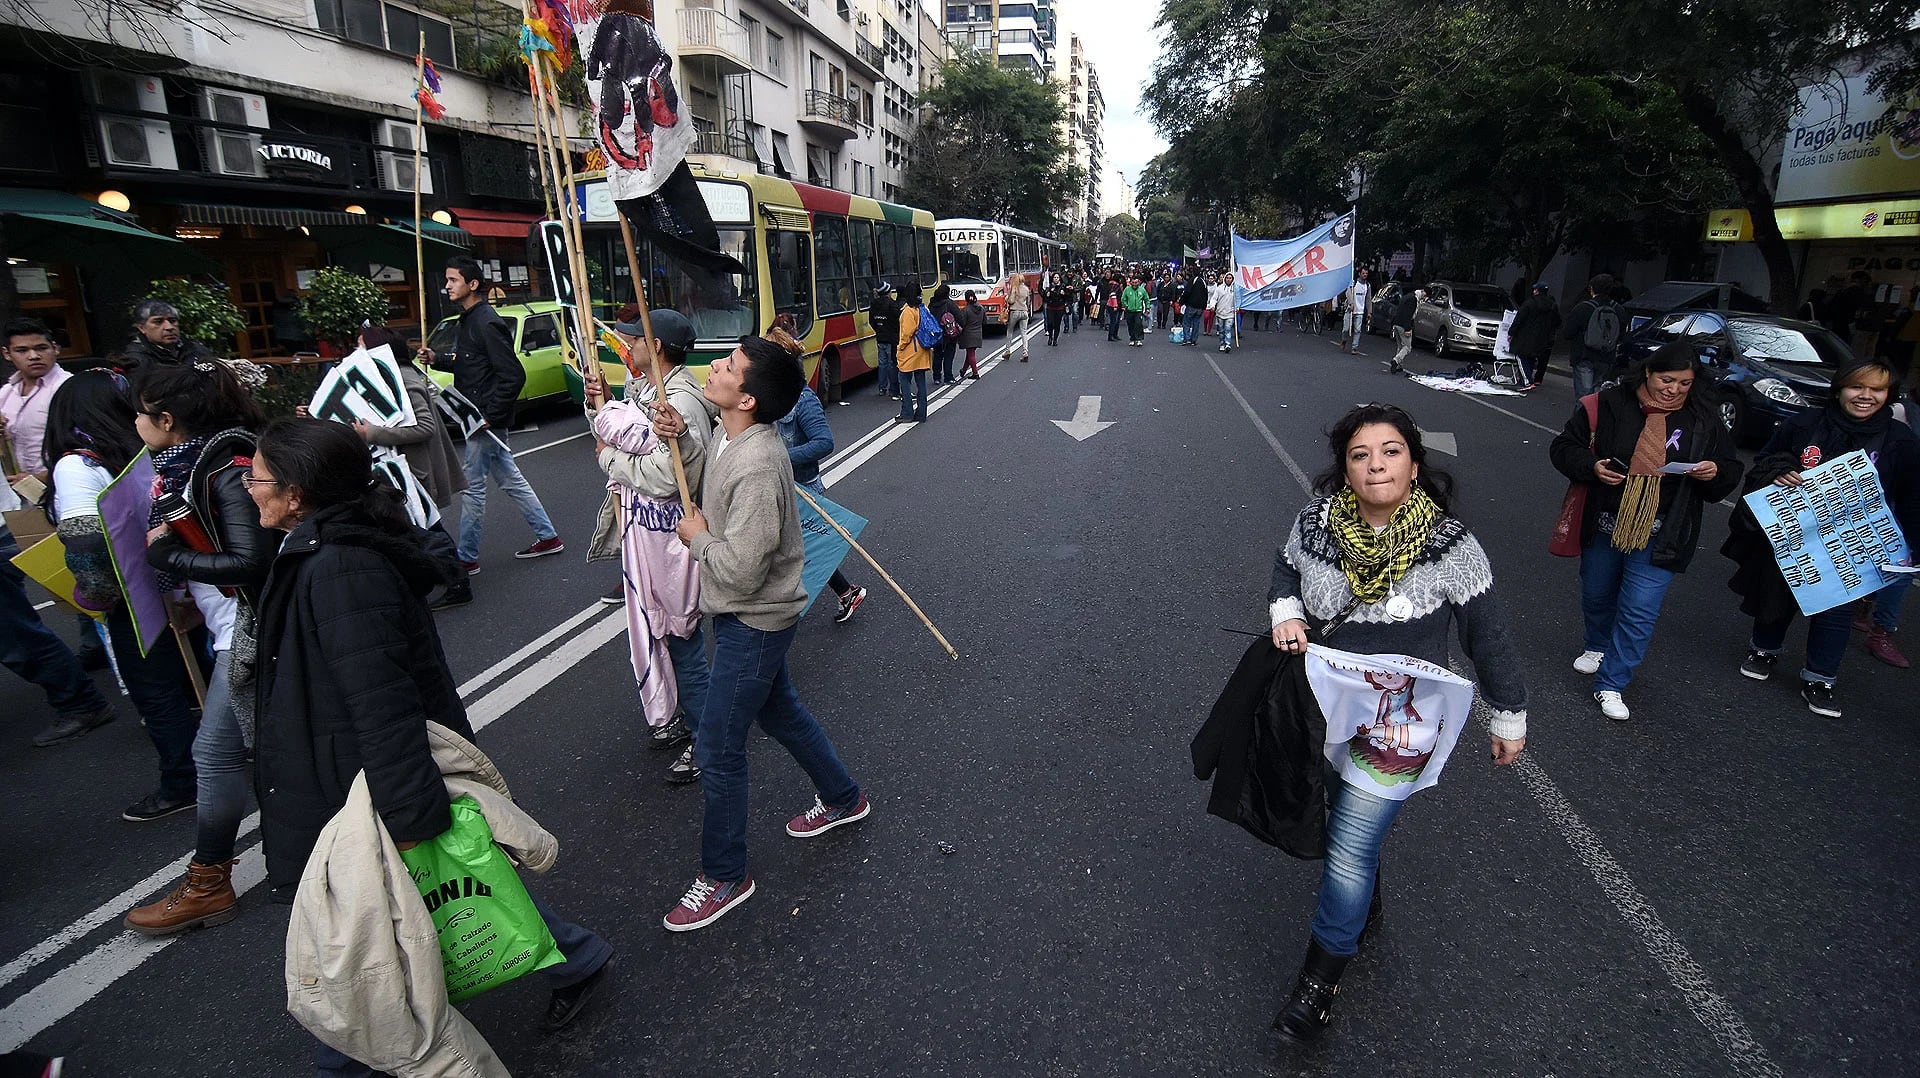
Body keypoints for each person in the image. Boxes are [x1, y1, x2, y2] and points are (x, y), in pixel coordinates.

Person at [244, 419, 614, 1072]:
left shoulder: (341, 568)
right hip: (356, 771)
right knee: (453, 884)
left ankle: (354, 1053)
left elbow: (382, 704)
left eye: (258, 478)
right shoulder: (327, 547)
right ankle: (575, 957)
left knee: (364, 946)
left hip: (364, 782)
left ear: (298, 493)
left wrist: (413, 817)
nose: (249, 489)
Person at [1264, 403, 1528, 1043]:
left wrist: (1509, 713)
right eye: (1360, 455)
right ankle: (1364, 903)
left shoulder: (1452, 546)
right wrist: (1285, 612)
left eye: (1389, 452)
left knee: (1348, 851)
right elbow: (1285, 571)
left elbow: (1487, 635)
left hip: (1400, 722)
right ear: (1345, 469)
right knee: (1339, 822)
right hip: (1323, 707)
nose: (1375, 464)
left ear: (1413, 465)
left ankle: (1317, 984)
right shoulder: (1315, 524)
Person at [648, 336, 870, 932]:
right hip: (748, 615)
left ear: (746, 398)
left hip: (755, 619)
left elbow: (743, 568)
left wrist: (695, 539)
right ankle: (845, 798)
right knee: (781, 715)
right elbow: (705, 473)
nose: (713, 368)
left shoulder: (759, 464)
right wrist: (683, 435)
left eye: (726, 367)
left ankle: (724, 876)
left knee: (720, 746)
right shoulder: (730, 433)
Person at [123, 359, 276, 935]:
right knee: (262, 751)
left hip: (253, 629)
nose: (134, 422)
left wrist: (168, 557)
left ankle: (209, 881)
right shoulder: (189, 465)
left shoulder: (221, 467)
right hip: (233, 624)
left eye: (140, 412)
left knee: (215, 754)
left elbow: (249, 560)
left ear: (165, 419)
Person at [1549, 343, 1742, 721]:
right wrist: (1592, 466)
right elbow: (1563, 447)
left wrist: (1714, 471)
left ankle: (1612, 683)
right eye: (1666, 380)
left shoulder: (1703, 417)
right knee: (1597, 592)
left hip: (1664, 529)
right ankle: (1598, 643)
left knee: (1639, 609)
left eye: (1684, 383)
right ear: (1648, 373)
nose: (1674, 390)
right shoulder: (1608, 404)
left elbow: (1729, 467)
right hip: (1607, 521)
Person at [44, 370, 203, 820]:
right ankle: (219, 760)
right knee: (186, 681)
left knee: (156, 694)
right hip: (166, 584)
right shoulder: (135, 455)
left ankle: (182, 782)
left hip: (129, 599)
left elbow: (87, 541)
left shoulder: (77, 466)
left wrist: (94, 593)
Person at [1723, 358, 1920, 717]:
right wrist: (1780, 471)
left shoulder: (1900, 439)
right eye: (1856, 387)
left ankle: (1820, 677)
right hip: (1793, 535)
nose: (1865, 396)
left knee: (1837, 612)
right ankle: (1764, 648)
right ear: (1839, 389)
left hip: (1854, 545)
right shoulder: (1805, 423)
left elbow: (1911, 497)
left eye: (1876, 389)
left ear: (1889, 395)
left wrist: (1912, 545)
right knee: (1777, 594)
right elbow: (1766, 459)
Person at [587, 308, 716, 786]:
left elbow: (672, 477)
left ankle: (709, 743)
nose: (625, 347)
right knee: (660, 634)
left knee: (683, 642)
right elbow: (616, 428)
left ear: (656, 345)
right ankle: (685, 719)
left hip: (673, 543)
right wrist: (597, 405)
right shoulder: (644, 389)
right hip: (646, 535)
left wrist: (612, 463)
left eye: (631, 340)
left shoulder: (679, 398)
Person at [420, 256, 562, 575]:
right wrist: (437, 357)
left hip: (483, 421)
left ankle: (466, 557)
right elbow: (470, 363)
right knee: (511, 480)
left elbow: (513, 374)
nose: (446, 286)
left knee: (473, 488)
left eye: (452, 280)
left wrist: (490, 415)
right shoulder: (467, 320)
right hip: (476, 416)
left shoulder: (487, 321)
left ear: (472, 285)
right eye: (446, 280)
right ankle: (548, 537)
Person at [345, 326, 470, 610]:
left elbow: (423, 427)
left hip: (412, 470)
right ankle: (445, 578)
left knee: (426, 525)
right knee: (415, 525)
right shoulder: (385, 378)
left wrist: (372, 434)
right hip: (399, 469)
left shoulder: (403, 378)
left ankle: (457, 580)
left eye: (362, 346)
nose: (357, 351)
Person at [776, 378, 868, 623]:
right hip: (779, 485)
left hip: (802, 487)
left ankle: (845, 593)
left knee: (804, 549)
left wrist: (778, 457)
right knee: (795, 548)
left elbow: (824, 442)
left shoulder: (803, 399)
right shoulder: (766, 393)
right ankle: (846, 592)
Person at [2, 317, 73, 483]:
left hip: (63, 485)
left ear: (54, 348)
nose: (33, 356)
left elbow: (87, 445)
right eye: (22, 350)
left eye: (41, 348)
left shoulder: (69, 388)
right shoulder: (6, 393)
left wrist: (41, 477)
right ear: (7, 354)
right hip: (19, 491)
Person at [1563, 273, 1625, 399]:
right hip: (1606, 357)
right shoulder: (1619, 309)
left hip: (1584, 355)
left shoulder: (1583, 308)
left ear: (1592, 288)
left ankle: (1582, 418)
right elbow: (1621, 335)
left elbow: (1568, 332)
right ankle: (1591, 417)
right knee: (1594, 394)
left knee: (1584, 396)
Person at [119, 299, 214, 374]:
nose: (169, 327)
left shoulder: (197, 350)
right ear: (142, 328)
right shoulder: (134, 360)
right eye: (158, 322)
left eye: (172, 321)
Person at [1509, 282, 1561, 390]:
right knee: (1531, 357)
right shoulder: (1552, 305)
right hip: (1542, 337)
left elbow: (1519, 318)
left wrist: (1511, 332)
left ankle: (1527, 381)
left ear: (1536, 291)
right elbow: (1557, 321)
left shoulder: (1530, 303)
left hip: (1525, 336)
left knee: (1520, 356)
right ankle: (1527, 378)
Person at [895, 287, 933, 422]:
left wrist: (900, 347)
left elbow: (907, 334)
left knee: (904, 381)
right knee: (921, 382)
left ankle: (907, 413)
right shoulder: (922, 309)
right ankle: (921, 413)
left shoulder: (907, 311)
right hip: (923, 350)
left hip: (910, 351)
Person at [868, 281, 900, 401]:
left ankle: (882, 387)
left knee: (882, 364)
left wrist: (879, 329)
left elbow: (872, 321)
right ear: (888, 292)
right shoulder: (892, 305)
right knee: (892, 363)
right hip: (891, 338)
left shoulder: (874, 304)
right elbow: (897, 322)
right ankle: (893, 388)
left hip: (880, 337)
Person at [929, 283, 962, 384]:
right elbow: (959, 317)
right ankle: (948, 377)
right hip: (949, 334)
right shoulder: (950, 304)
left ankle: (936, 377)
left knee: (937, 354)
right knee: (948, 356)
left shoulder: (932, 304)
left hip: (936, 334)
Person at [1387, 288, 1420, 374]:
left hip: (1396, 323)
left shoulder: (1406, 297)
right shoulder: (1413, 300)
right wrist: (1408, 328)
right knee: (1407, 347)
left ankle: (1398, 366)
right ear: (1423, 293)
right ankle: (1396, 360)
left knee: (1400, 345)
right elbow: (1408, 315)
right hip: (1403, 325)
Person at [957, 291, 987, 379]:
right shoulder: (981, 308)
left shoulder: (966, 310)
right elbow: (984, 321)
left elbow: (962, 323)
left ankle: (975, 373)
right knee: (970, 354)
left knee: (971, 354)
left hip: (968, 335)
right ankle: (963, 370)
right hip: (978, 334)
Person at [1343, 268, 1371, 355]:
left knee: (1358, 330)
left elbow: (1368, 299)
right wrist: (1351, 303)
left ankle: (1354, 347)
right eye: (1363, 273)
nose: (1365, 275)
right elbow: (1348, 292)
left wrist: (1369, 311)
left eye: (1366, 273)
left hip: (1360, 311)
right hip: (1350, 309)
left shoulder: (1367, 285)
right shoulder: (1354, 283)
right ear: (1359, 274)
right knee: (1346, 329)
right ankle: (1344, 340)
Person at [1005, 273, 1033, 361]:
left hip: (1015, 312)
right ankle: (1025, 352)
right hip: (1024, 312)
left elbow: (1011, 301)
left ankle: (1008, 351)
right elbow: (1028, 302)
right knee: (1024, 332)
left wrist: (1007, 298)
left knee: (1010, 331)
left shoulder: (1015, 288)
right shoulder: (1026, 289)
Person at [1212, 272, 1238, 353]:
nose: (1228, 279)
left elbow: (1238, 299)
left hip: (1230, 313)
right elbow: (1214, 298)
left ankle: (1228, 344)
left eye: (1230, 278)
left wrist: (1237, 307)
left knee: (1228, 329)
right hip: (1220, 312)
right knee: (1221, 330)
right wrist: (1212, 305)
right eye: (1227, 278)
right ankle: (1222, 344)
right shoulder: (1219, 288)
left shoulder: (1235, 289)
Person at [1120, 275, 1148, 347]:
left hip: (1138, 310)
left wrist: (1147, 308)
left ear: (1138, 282)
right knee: (1131, 325)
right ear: (1131, 282)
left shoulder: (1142, 290)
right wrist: (1125, 305)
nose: (1135, 284)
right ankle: (1132, 339)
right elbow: (1123, 298)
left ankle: (1139, 339)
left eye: (1136, 282)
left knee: (1138, 324)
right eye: (1133, 282)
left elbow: (1146, 299)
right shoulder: (1127, 289)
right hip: (1129, 310)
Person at [1180, 274, 1208, 346]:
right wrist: (1204, 306)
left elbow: (1187, 292)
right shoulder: (1203, 282)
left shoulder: (1192, 281)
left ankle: (1187, 338)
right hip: (1200, 307)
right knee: (1196, 323)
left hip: (1191, 305)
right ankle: (1194, 340)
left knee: (1186, 322)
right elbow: (1206, 295)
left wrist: (1181, 301)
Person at [1044, 278, 1069, 346]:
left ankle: (1055, 340)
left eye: (1057, 278)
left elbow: (1067, 296)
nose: (1056, 279)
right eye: (1055, 277)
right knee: (1050, 323)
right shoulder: (1049, 286)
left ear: (1059, 279)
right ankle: (1050, 337)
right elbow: (1044, 297)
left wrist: (1064, 294)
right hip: (1050, 307)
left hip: (1059, 307)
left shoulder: (1063, 286)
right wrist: (1047, 295)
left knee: (1057, 324)